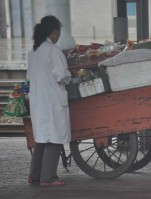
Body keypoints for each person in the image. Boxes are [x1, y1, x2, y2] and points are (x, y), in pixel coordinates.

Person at [26, 15, 72, 187]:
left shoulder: (34, 51)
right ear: (54, 32)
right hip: (52, 100)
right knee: (54, 138)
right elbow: (62, 75)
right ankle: (48, 177)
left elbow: (29, 76)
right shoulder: (54, 50)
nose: (59, 35)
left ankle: (35, 176)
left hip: (38, 101)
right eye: (59, 32)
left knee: (42, 138)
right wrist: (70, 77)